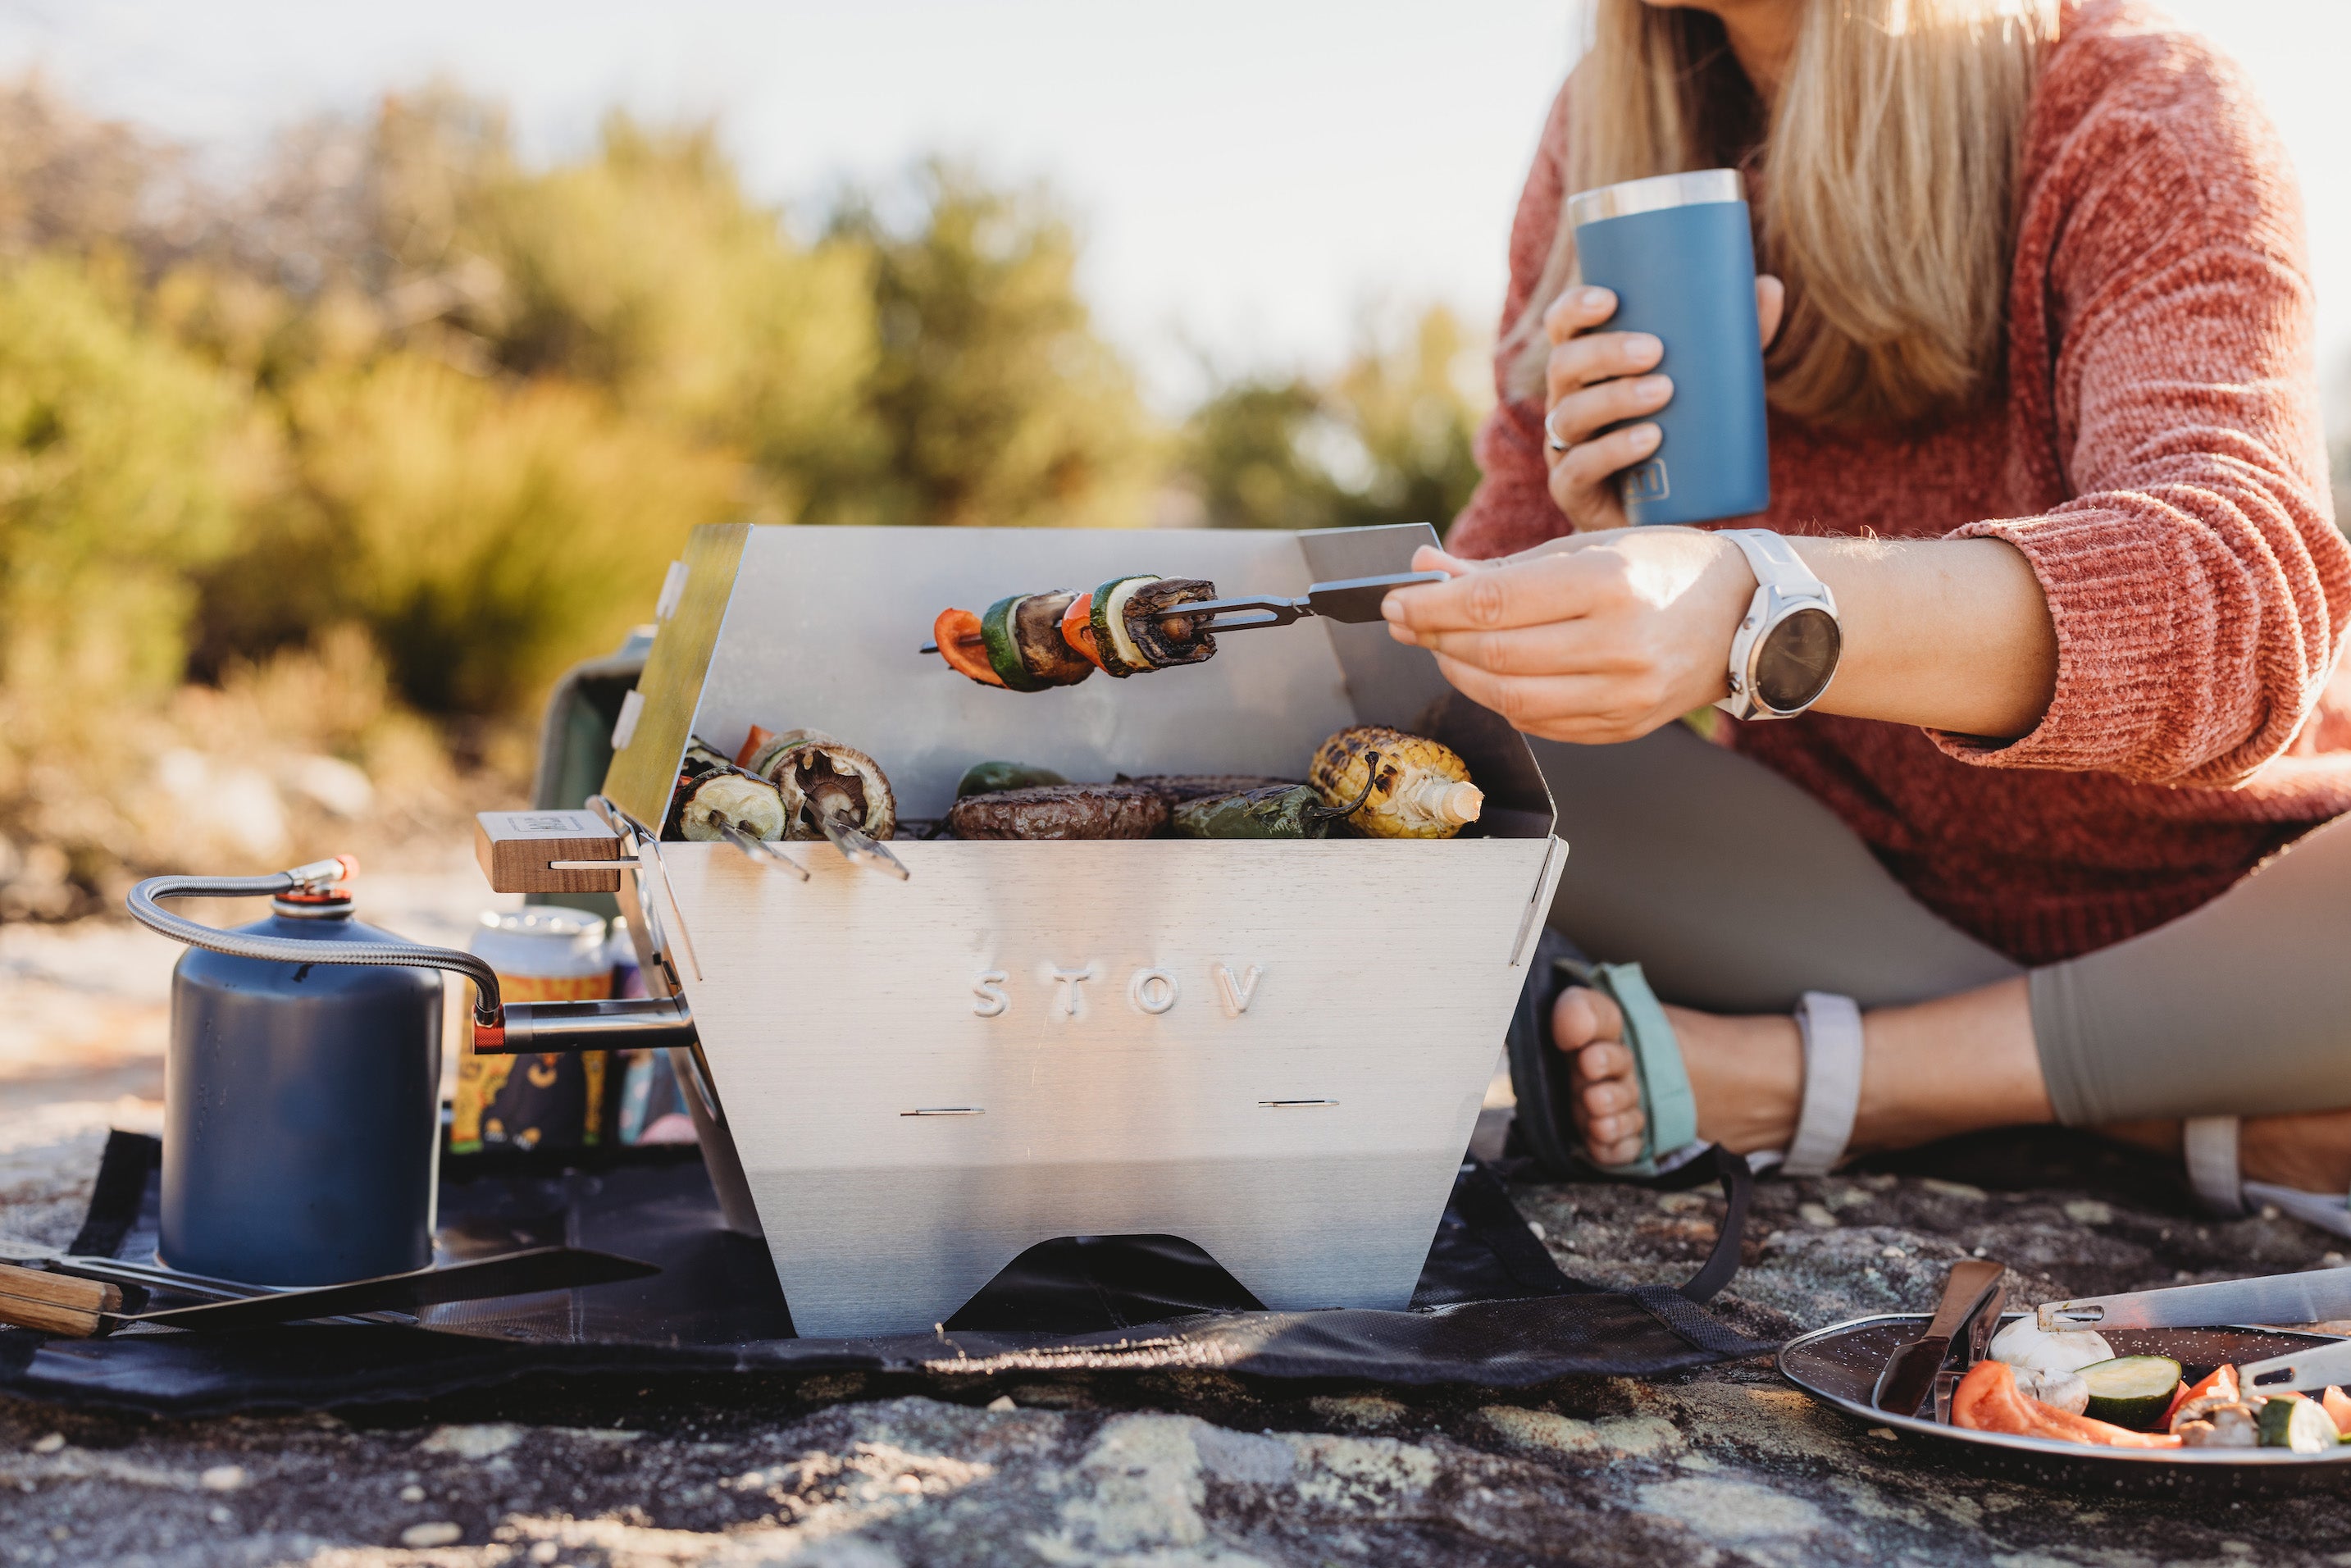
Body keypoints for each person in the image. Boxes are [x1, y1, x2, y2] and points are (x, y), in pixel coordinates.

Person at [1383, 0, 2351, 1228]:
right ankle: (2198, 1106)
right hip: (1837, 917)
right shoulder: (1613, 136)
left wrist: (1763, 607)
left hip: (2245, 921)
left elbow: (2241, 604)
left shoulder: (2134, 106)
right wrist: (1594, 543)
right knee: (1448, 729)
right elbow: (1475, 638)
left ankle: (1849, 1082)